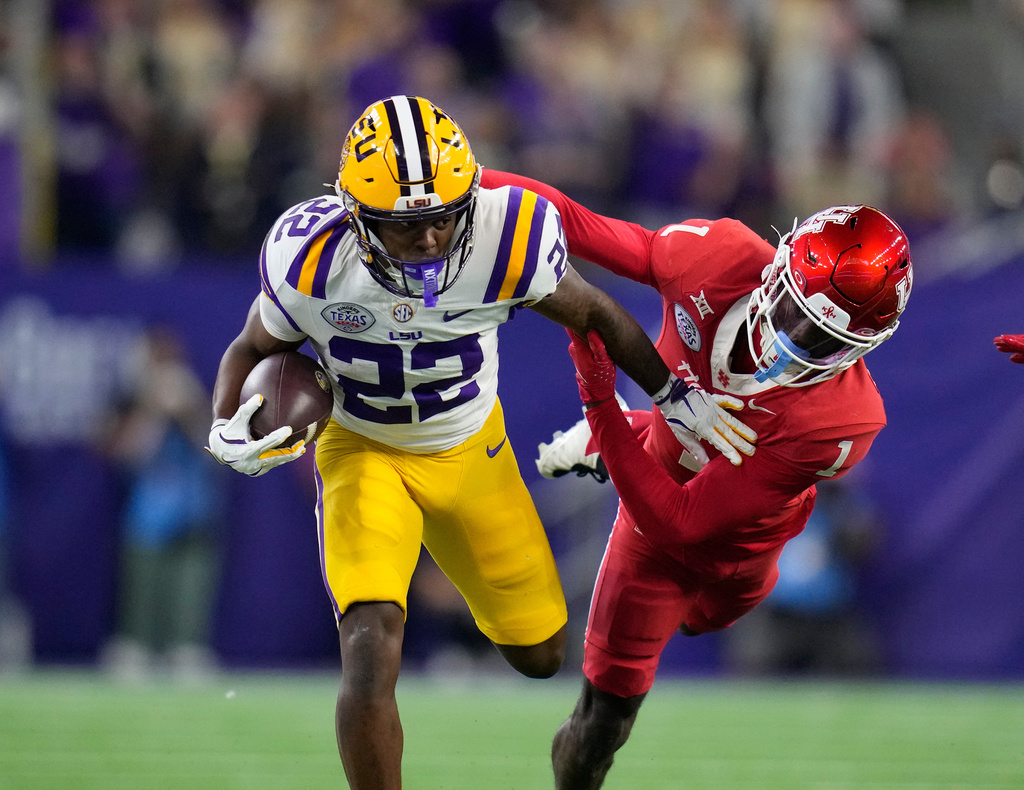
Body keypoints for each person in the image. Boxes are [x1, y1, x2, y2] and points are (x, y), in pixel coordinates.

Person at [204, 95, 755, 789]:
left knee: (541, 653)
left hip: (469, 448)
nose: (432, 239)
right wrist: (226, 423)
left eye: (443, 216)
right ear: (358, 217)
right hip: (361, 448)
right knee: (369, 641)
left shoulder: (504, 237)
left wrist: (673, 397)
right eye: (408, 227)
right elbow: (250, 346)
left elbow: (597, 313)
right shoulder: (310, 260)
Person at [480, 168, 912, 789]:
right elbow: (571, 223)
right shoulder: (717, 255)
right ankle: (634, 435)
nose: (789, 339)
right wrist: (466, 180)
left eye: (820, 338)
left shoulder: (842, 420)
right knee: (603, 721)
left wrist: (600, 405)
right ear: (776, 269)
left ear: (860, 349)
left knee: (703, 618)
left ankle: (621, 435)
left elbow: (686, 521)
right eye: (791, 310)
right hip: (658, 525)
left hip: (746, 552)